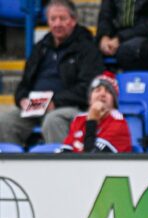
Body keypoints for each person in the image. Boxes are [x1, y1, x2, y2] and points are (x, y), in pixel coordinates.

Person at [0, 0, 104, 146]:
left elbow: (89, 87)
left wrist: (55, 101)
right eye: (53, 19)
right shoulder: (41, 47)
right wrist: (22, 99)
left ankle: (61, 165)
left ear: (73, 21)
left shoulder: (87, 48)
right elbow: (24, 83)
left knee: (53, 120)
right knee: (5, 122)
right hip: (35, 106)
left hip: (70, 107)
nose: (57, 24)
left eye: (62, 18)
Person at [59, 74, 132, 153]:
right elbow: (64, 153)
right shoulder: (79, 120)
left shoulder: (119, 124)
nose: (102, 94)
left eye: (108, 92)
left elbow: (93, 158)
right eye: (97, 90)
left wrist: (92, 120)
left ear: (114, 103)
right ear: (90, 100)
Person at [96, 0, 148, 72]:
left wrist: (119, 38)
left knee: (126, 50)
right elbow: (105, 16)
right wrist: (104, 36)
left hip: (140, 34)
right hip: (113, 36)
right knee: (89, 48)